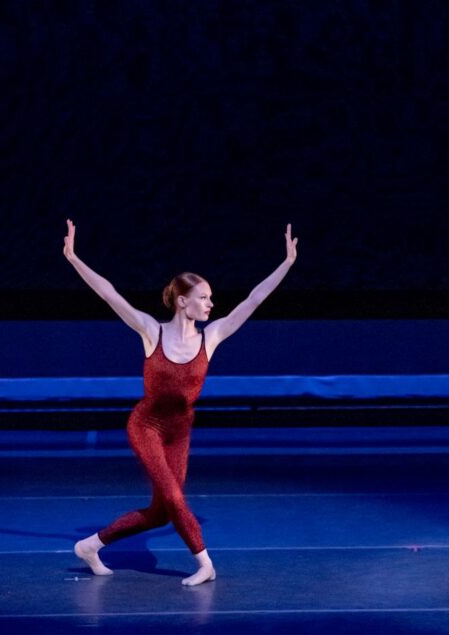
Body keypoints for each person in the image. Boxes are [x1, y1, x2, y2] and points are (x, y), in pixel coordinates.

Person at [65, 219, 298, 586]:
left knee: (162, 512)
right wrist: (74, 258)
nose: (211, 304)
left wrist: (287, 263)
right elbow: (110, 294)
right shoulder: (150, 331)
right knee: (174, 497)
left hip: (180, 432)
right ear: (182, 300)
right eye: (204, 297)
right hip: (146, 427)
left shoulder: (212, 337)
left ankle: (90, 546)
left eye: (210, 298)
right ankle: (205, 564)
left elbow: (253, 300)